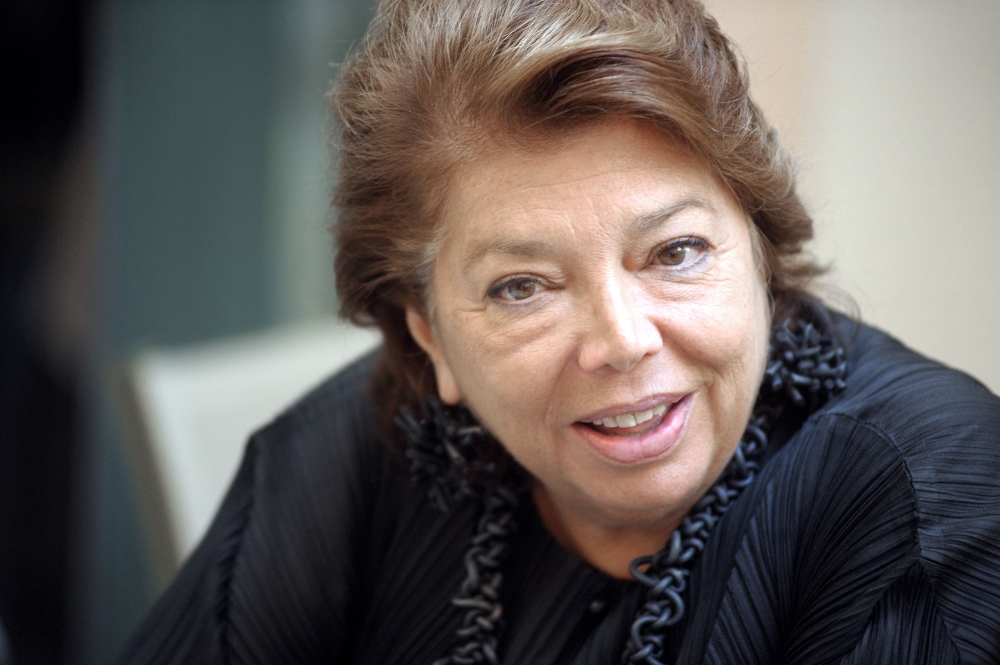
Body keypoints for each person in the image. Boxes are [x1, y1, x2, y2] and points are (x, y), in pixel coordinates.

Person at [118, 0, 1000, 663]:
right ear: (430, 336)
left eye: (677, 251)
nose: (621, 340)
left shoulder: (920, 507)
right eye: (521, 287)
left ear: (761, 253)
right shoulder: (351, 453)